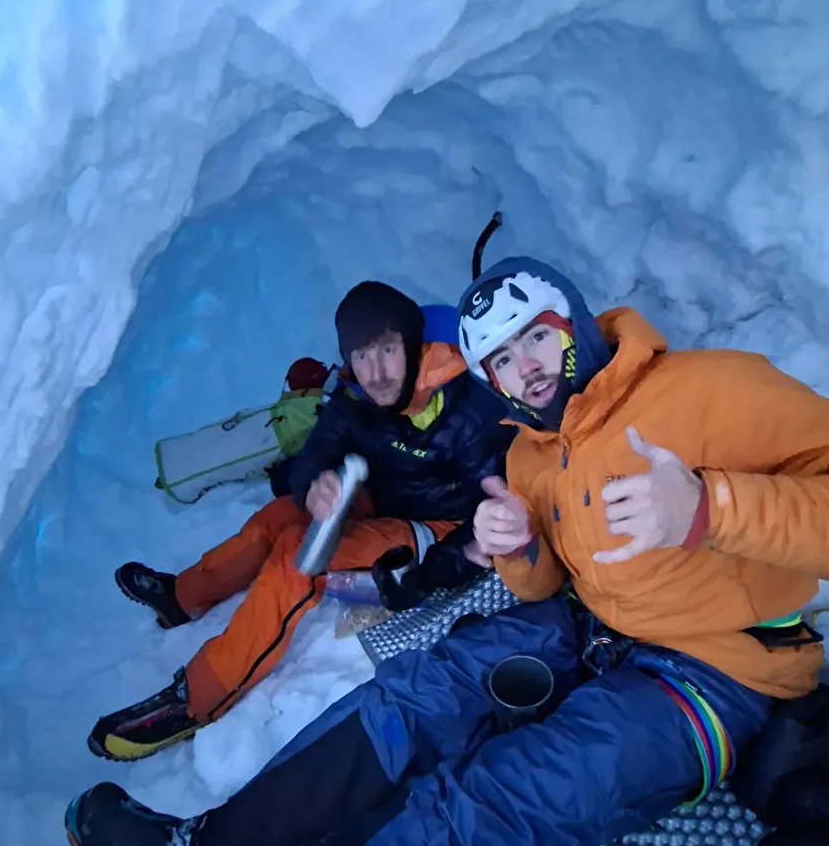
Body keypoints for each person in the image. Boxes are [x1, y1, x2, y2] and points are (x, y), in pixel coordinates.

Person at [0, 256, 829, 846]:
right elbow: (549, 576)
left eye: (537, 338)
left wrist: (715, 507)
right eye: (500, 361)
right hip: (591, 624)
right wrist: (515, 552)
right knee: (416, 694)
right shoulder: (528, 450)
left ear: (573, 324)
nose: (527, 370)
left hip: (711, 674)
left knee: (488, 805)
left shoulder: (709, 389)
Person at [90, 281, 512, 760]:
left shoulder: (466, 405)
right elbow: (320, 447)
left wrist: (438, 569)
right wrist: (314, 484)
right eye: (361, 356)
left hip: (433, 530)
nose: (375, 373)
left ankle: (199, 697)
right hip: (381, 495)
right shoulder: (355, 394)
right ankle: (183, 597)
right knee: (279, 518)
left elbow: (493, 517)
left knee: (300, 556)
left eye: (388, 350)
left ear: (413, 344)